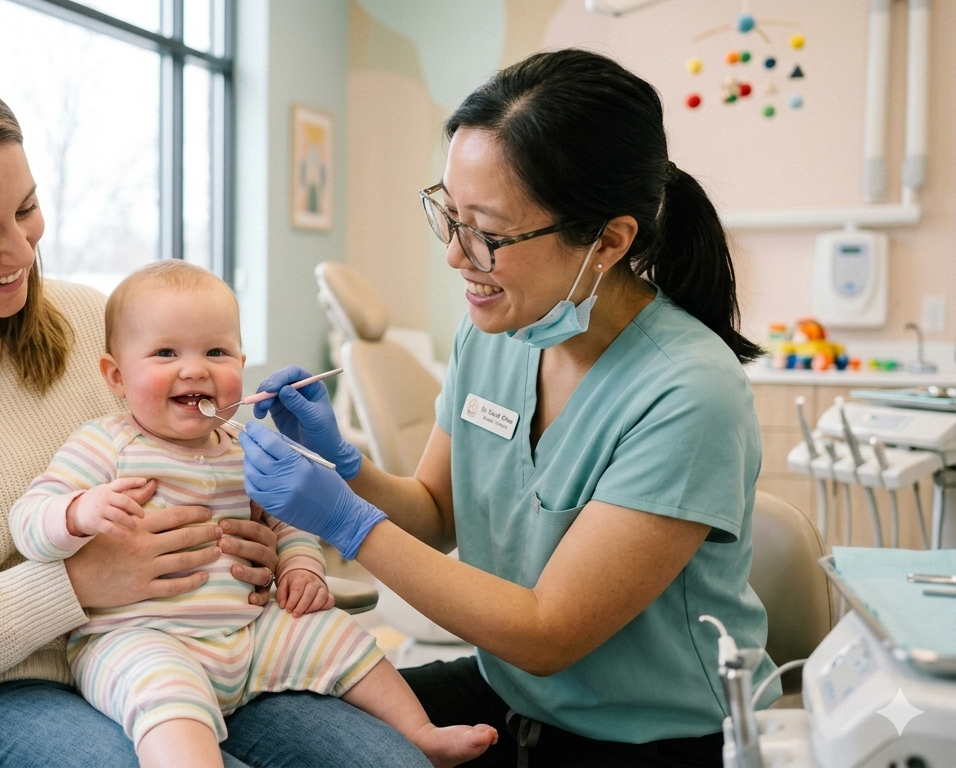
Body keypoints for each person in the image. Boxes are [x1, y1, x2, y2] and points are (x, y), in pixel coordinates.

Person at [0, 62, 430, 768]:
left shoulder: (90, 323)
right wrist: (74, 585)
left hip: (197, 647)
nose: (22, 252)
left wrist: (261, 552)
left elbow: (213, 480)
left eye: (26, 209)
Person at [238, 49, 779, 768]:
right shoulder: (496, 331)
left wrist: (342, 520)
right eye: (449, 216)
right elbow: (433, 514)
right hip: (515, 696)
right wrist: (345, 466)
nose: (457, 257)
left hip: (653, 738)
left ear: (609, 241)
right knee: (268, 719)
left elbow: (548, 633)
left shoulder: (688, 393)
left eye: (487, 233)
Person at [11, 261, 498, 768]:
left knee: (333, 631)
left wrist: (302, 566)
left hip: (250, 635)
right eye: (165, 353)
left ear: (242, 367)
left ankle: (418, 733)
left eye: (216, 352)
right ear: (116, 375)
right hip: (141, 637)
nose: (195, 368)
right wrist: (77, 512)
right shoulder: (104, 443)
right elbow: (28, 523)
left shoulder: (244, 447)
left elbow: (290, 521)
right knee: (164, 699)